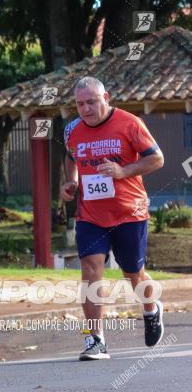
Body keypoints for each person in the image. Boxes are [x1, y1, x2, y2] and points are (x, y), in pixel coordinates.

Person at [61, 76, 165, 360]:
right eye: (80, 104)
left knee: (133, 272)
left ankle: (150, 307)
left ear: (105, 97)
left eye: (92, 102)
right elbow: (71, 158)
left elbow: (157, 159)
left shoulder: (129, 123)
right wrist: (71, 182)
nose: (86, 109)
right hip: (91, 215)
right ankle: (95, 339)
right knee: (91, 270)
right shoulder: (72, 130)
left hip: (129, 212)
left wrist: (122, 171)